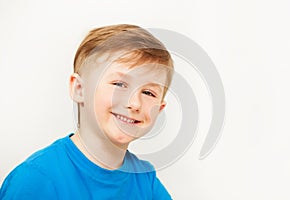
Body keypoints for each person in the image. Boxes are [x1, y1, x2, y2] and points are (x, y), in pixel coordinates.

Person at [0, 24, 174, 199]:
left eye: (148, 93)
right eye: (119, 84)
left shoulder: (145, 180)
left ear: (159, 109)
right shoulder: (36, 180)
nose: (134, 103)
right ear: (79, 89)